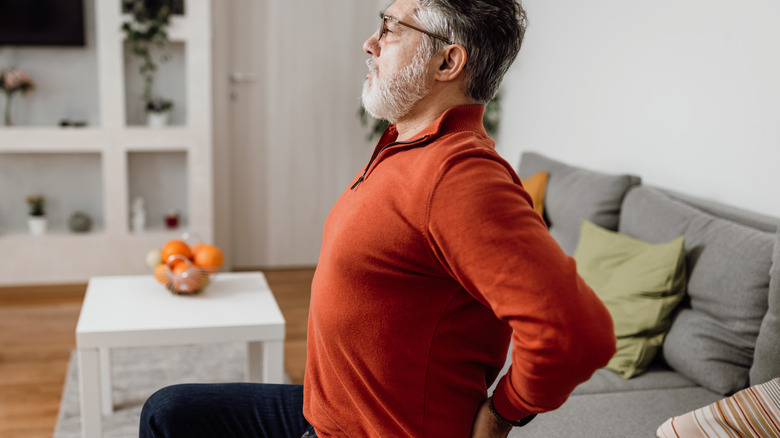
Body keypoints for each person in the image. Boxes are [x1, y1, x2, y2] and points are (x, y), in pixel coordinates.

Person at [139, 1, 617, 437]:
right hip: (328, 412)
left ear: (447, 63)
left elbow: (577, 332)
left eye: (389, 28)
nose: (370, 43)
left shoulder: (460, 176)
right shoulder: (407, 146)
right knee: (170, 412)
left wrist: (502, 412)